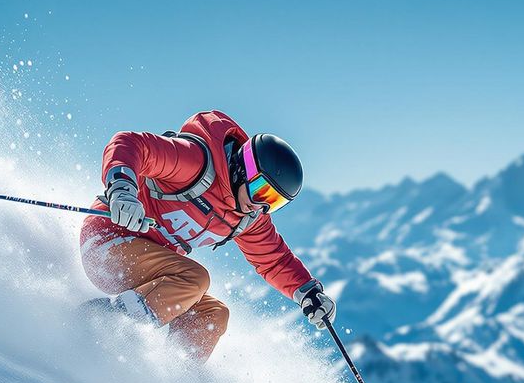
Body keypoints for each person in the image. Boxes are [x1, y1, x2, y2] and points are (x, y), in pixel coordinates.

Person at [79, 109, 335, 361]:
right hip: (107, 240)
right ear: (243, 168)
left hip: (146, 271)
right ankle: (108, 325)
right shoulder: (196, 164)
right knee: (195, 279)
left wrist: (309, 294)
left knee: (213, 315)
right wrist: (122, 190)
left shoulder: (247, 217)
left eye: (274, 202)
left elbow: (274, 260)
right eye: (262, 191)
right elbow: (130, 143)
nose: (261, 206)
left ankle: (176, 377)